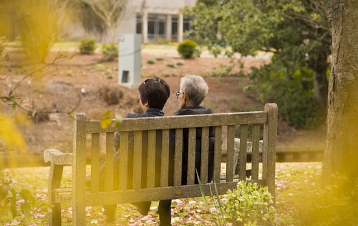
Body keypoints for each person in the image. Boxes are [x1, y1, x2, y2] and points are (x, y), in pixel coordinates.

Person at [89, 77, 171, 223]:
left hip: (127, 180)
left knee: (112, 163)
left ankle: (109, 215)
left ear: (145, 102)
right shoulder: (172, 125)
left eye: (141, 98)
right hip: (159, 180)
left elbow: (117, 145)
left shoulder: (131, 120)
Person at [162, 75, 215, 225]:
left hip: (180, 179)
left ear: (184, 96)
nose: (178, 96)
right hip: (206, 176)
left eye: (179, 93)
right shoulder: (212, 116)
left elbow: (170, 149)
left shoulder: (177, 118)